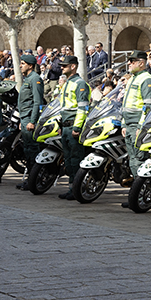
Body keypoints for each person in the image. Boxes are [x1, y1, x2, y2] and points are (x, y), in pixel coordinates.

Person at [121, 50, 151, 201]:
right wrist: (124, 123)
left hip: (137, 124)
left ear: (141, 63)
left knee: (140, 160)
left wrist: (141, 128)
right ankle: (136, 195)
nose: (129, 63)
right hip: (129, 124)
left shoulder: (147, 80)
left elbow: (148, 107)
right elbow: (126, 104)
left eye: (132, 61)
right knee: (133, 160)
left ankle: (143, 195)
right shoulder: (133, 79)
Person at [57, 55, 90, 201]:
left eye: (64, 66)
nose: (62, 68)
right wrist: (60, 124)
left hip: (73, 126)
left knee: (76, 159)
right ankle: (71, 188)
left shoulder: (80, 83)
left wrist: (77, 127)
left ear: (73, 66)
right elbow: (63, 106)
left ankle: (78, 189)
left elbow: (82, 108)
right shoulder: (67, 83)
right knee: (69, 160)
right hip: (65, 126)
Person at [16, 54, 45, 190]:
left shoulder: (35, 79)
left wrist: (32, 120)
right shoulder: (28, 79)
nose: (21, 65)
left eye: (23, 63)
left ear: (30, 65)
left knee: (32, 150)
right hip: (25, 117)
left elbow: (37, 102)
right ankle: (30, 179)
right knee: (27, 150)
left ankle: (34, 179)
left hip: (29, 118)